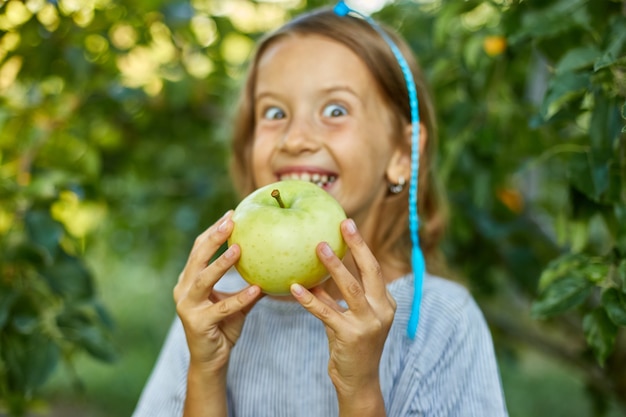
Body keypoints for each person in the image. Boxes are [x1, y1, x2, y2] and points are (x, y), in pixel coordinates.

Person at [132, 3, 509, 417]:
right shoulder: (216, 304)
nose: (295, 138)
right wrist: (205, 369)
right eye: (274, 113)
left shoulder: (441, 321)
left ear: (403, 153)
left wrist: (360, 387)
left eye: (335, 110)